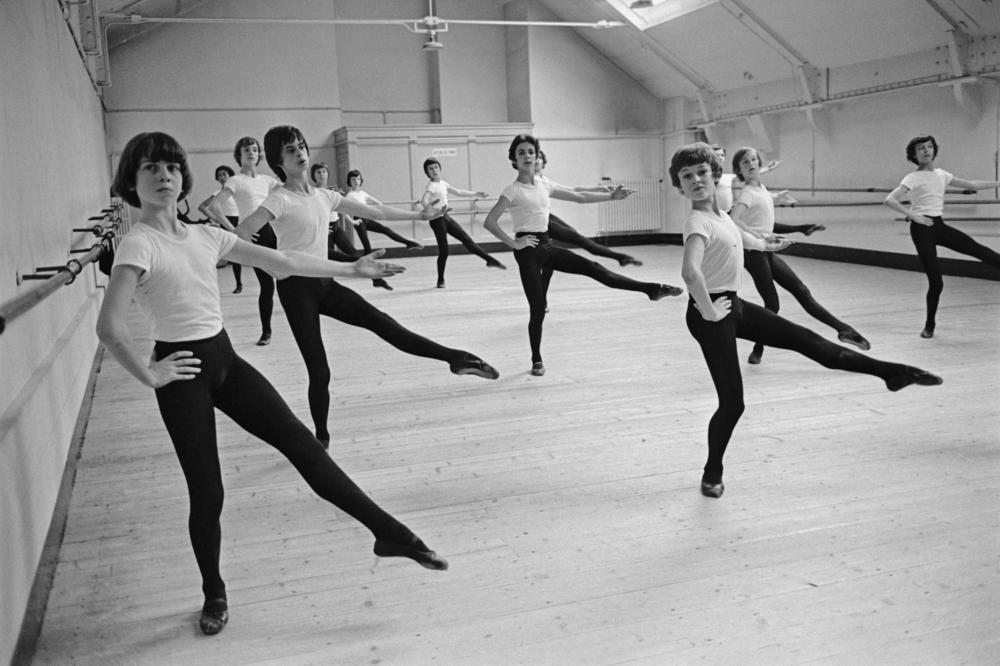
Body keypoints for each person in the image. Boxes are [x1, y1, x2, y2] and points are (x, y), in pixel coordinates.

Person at [97, 132, 449, 637]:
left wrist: (349, 267)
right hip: (184, 376)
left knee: (304, 447)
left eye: (171, 167)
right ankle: (213, 591)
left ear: (183, 177)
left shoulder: (203, 235)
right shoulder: (138, 242)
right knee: (208, 492)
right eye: (150, 168)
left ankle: (390, 534)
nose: (163, 176)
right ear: (131, 181)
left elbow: (281, 262)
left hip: (225, 361)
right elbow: (109, 326)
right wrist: (151, 374)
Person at [673, 142, 942, 499]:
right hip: (711, 315)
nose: (695, 181)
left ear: (714, 175)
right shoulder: (698, 222)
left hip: (732, 305)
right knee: (733, 403)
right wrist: (707, 310)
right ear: (679, 186)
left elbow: (745, 240)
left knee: (810, 342)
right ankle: (712, 473)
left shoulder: (721, 215)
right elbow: (691, 273)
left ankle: (890, 372)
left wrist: (769, 245)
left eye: (701, 173)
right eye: (686, 177)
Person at [238, 126, 500, 448]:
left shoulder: (326, 196)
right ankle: (321, 439)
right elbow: (243, 231)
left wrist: (420, 214)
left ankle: (456, 358)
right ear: (279, 161)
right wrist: (266, 260)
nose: (300, 151)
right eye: (290, 150)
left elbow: (375, 211)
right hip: (296, 291)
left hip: (325, 283)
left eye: (301, 145)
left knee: (384, 323)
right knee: (320, 372)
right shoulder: (280, 199)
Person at [483, 134, 684, 377]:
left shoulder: (544, 185)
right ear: (514, 159)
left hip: (546, 245)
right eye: (521, 153)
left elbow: (579, 195)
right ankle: (536, 359)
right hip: (527, 253)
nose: (527, 156)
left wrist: (611, 196)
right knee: (537, 309)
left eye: (530, 152)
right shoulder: (512, 190)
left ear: (537, 156)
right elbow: (490, 222)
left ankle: (651, 289)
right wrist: (514, 243)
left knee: (596, 268)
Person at [730, 146, 869, 365]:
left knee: (801, 290)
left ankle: (844, 330)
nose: (751, 164)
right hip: (754, 253)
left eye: (754, 160)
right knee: (772, 304)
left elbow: (767, 223)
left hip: (767, 252)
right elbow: (734, 218)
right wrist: (756, 233)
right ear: (739, 169)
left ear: (760, 163)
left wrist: (800, 227)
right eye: (745, 162)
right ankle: (758, 350)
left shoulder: (761, 189)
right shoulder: (748, 192)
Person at [883, 134, 1000, 338]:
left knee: (983, 252)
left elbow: (972, 185)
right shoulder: (912, 177)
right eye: (921, 148)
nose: (926, 150)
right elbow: (889, 200)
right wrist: (914, 216)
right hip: (922, 230)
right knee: (936, 282)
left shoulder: (942, 174)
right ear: (913, 154)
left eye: (929, 147)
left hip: (939, 225)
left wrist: (997, 184)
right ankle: (929, 326)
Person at [533, 150, 643, 302]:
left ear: (543, 160)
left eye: (539, 157)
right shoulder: (532, 182)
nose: (536, 160)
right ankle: (620, 257)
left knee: (551, 261)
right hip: (539, 222)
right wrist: (609, 196)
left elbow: (574, 190)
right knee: (579, 239)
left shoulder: (543, 180)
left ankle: (540, 300)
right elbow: (578, 197)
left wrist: (599, 189)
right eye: (533, 157)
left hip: (547, 217)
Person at [202, 137, 280, 346]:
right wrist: (235, 231)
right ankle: (266, 331)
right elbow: (214, 206)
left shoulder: (267, 180)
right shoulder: (235, 180)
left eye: (254, 149)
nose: (251, 153)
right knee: (266, 284)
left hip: (273, 232)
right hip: (255, 235)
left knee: (288, 278)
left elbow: (292, 196)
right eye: (247, 150)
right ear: (239, 155)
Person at [420, 157, 506, 288]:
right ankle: (440, 280)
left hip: (446, 217)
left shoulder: (443, 183)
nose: (434, 170)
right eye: (431, 169)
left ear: (440, 169)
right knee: (444, 251)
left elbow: (459, 192)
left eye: (436, 167)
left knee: (467, 239)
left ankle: (490, 260)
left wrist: (476, 193)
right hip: (437, 220)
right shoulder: (431, 186)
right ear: (427, 172)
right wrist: (433, 210)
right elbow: (424, 201)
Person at [310, 162, 393, 291]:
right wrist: (322, 227)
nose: (322, 175)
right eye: (318, 172)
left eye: (324, 172)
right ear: (313, 176)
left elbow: (342, 207)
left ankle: (376, 279)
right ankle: (326, 288)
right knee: (327, 261)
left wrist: (354, 220)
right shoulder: (312, 193)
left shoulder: (333, 190)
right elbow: (312, 213)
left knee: (353, 253)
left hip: (336, 228)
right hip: (324, 230)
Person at [345, 168, 424, 252]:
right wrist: (353, 222)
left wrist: (380, 211)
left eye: (358, 179)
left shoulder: (362, 193)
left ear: (361, 180)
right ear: (349, 181)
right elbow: (343, 212)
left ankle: (409, 243)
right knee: (367, 245)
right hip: (359, 221)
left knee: (386, 230)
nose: (356, 182)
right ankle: (366, 262)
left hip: (366, 219)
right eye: (353, 179)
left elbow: (377, 203)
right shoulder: (349, 195)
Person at [197, 165, 243, 292]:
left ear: (230, 176)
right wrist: (216, 218)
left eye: (224, 174)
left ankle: (239, 284)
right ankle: (211, 285)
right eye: (219, 175)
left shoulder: (237, 191)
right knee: (227, 254)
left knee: (239, 254)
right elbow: (202, 207)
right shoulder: (217, 194)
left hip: (238, 221)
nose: (222, 177)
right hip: (225, 222)